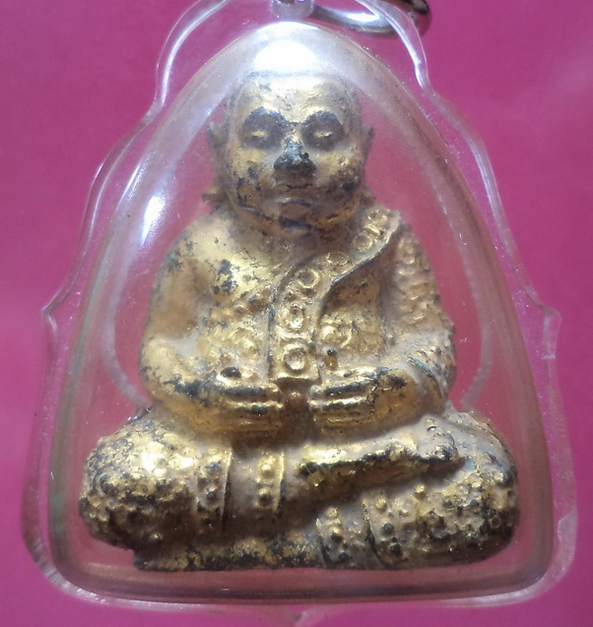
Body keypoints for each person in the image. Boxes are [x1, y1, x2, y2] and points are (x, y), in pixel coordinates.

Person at [80, 72, 517, 571]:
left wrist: (392, 387)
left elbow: (429, 339)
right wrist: (202, 396)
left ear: (363, 147)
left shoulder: (386, 239)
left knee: (483, 486)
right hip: (228, 452)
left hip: (375, 437)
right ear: (220, 148)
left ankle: (250, 543)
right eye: (262, 137)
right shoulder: (202, 245)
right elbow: (162, 345)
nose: (294, 160)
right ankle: (323, 488)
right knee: (117, 483)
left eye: (323, 137)